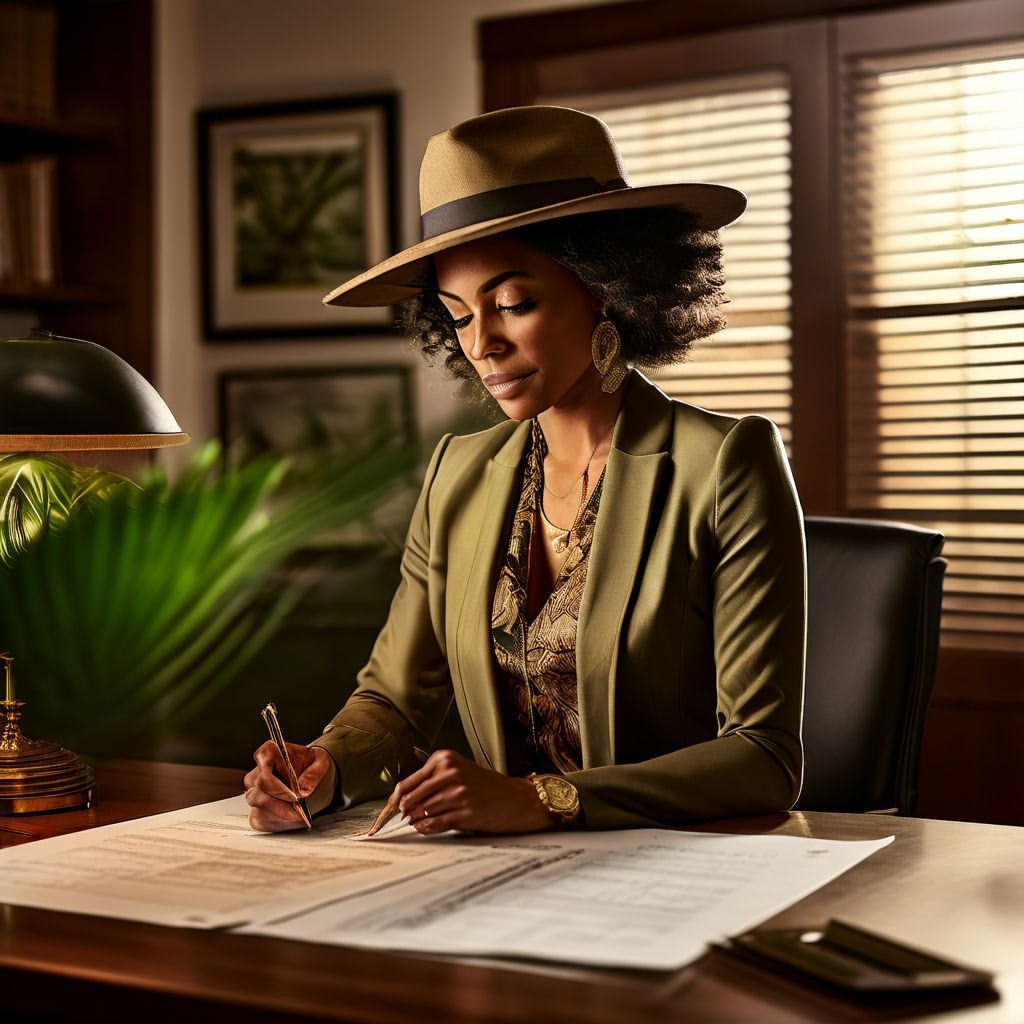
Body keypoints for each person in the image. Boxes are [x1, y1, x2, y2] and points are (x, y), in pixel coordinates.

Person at [244, 105, 806, 835]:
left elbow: (765, 758)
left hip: (679, 863)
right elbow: (392, 699)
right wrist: (321, 767)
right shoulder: (460, 474)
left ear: (608, 286)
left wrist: (547, 799)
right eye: (459, 315)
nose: (485, 344)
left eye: (514, 302)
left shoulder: (726, 464)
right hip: (502, 872)